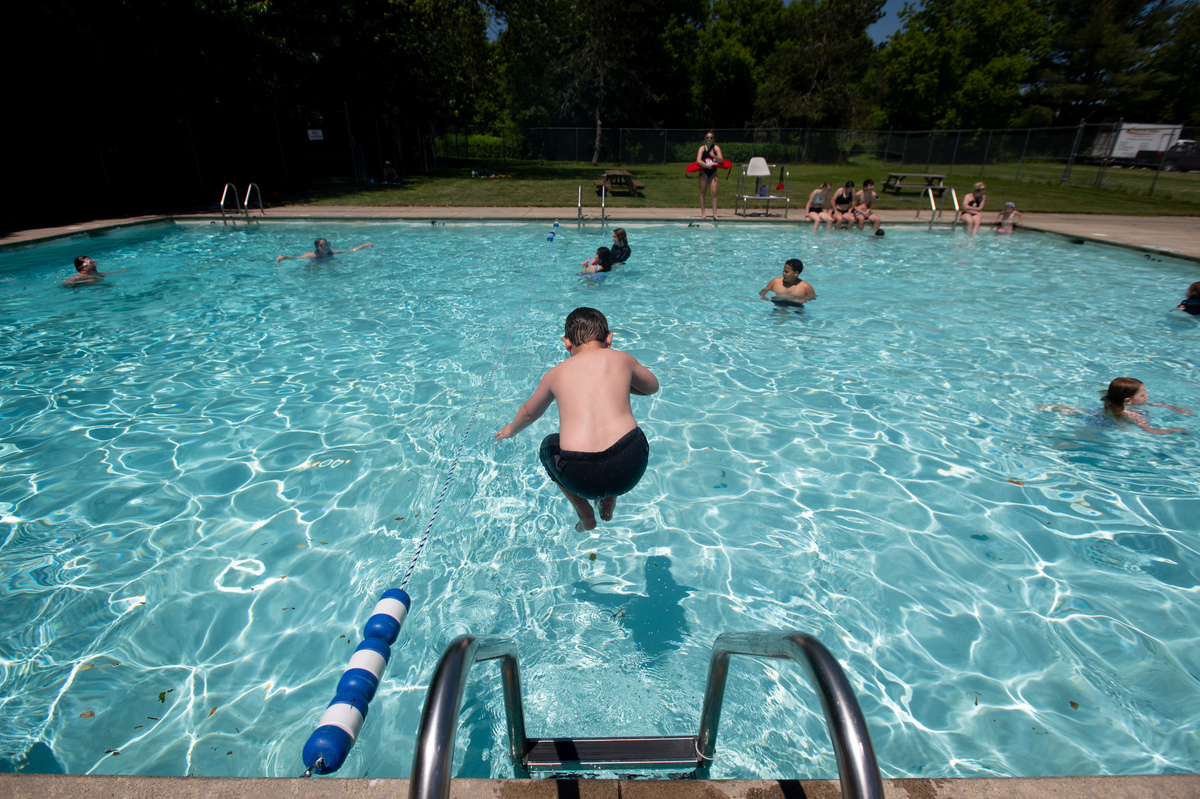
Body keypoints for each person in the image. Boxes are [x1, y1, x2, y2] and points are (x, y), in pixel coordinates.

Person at [495, 307, 660, 531]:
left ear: (567, 343)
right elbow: (652, 387)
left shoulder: (555, 374)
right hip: (630, 468)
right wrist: (620, 385)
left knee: (548, 446)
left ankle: (584, 513)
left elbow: (529, 413)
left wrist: (510, 430)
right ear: (609, 339)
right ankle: (607, 508)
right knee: (622, 440)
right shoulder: (623, 359)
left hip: (580, 477)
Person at [1038, 377, 1191, 434]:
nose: (1147, 396)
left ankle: (1054, 407)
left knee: (1085, 412)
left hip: (1101, 414)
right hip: (1105, 424)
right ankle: (1063, 411)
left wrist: (1172, 407)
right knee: (1082, 416)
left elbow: (1152, 403)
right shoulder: (1133, 415)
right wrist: (1172, 430)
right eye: (1143, 394)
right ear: (1128, 401)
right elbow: (1151, 431)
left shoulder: (1113, 401)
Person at [696, 132, 724, 220]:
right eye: (707, 138)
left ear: (713, 139)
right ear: (705, 139)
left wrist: (713, 155)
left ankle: (715, 213)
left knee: (714, 192)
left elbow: (721, 160)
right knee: (702, 192)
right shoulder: (702, 148)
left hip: (713, 172)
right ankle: (703, 213)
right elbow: (698, 161)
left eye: (711, 138)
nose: (709, 139)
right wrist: (707, 166)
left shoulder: (716, 148)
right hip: (704, 171)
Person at [276, 238, 373, 264]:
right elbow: (295, 258)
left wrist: (364, 245)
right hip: (315, 265)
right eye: (323, 245)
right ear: (317, 247)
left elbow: (350, 251)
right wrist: (284, 257)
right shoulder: (311, 255)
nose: (326, 246)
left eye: (327, 244)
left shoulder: (332, 252)